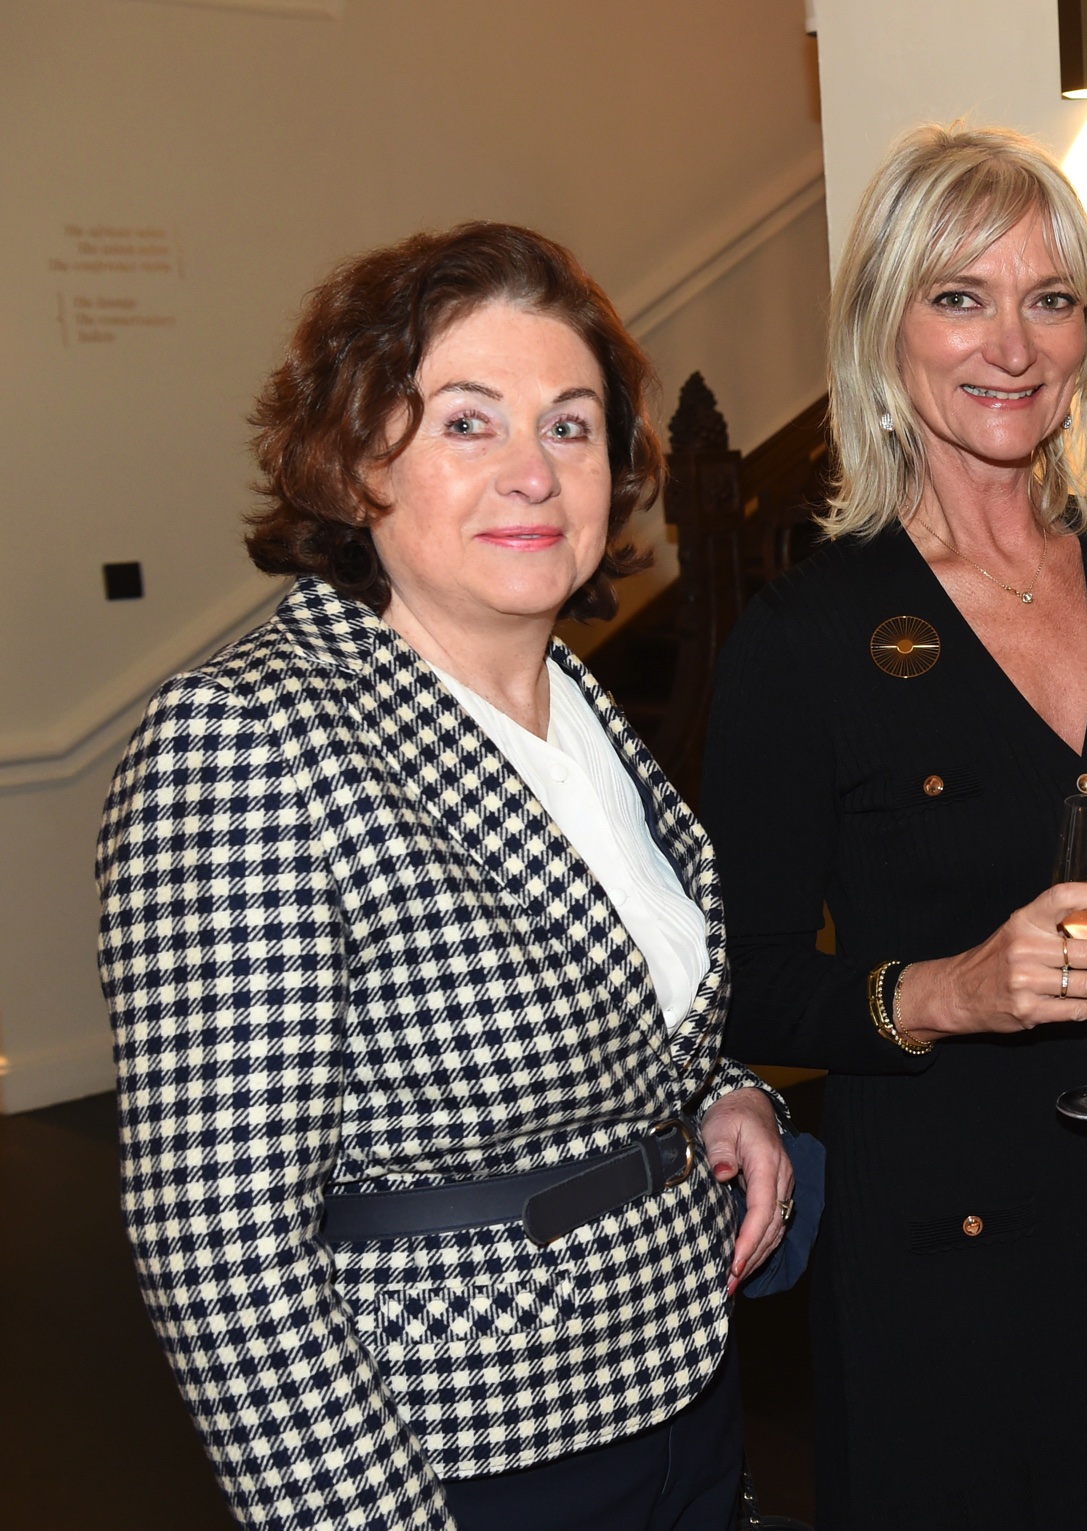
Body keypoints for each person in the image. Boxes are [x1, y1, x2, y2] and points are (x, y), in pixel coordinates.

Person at [97, 223, 793, 1531]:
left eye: (571, 426)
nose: (534, 471)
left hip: (682, 1389)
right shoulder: (248, 739)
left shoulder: (579, 711)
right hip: (459, 1451)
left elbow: (628, 1009)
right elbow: (222, 1251)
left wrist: (727, 1092)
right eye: (468, 423)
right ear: (357, 462)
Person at [702, 125, 1087, 1529]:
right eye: (960, 297)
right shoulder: (805, 634)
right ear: (885, 329)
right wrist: (951, 991)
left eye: (1052, 299)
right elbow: (741, 980)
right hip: (951, 1256)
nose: (1014, 346)